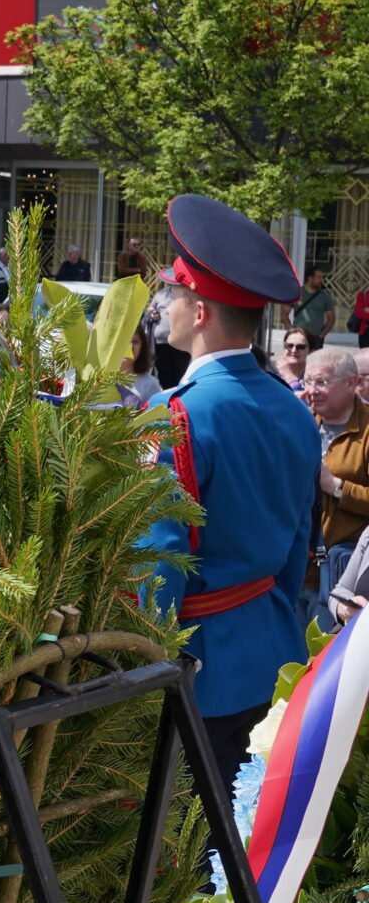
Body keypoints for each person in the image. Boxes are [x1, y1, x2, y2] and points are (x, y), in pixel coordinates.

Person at [141, 193, 321, 786]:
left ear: (199, 313)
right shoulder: (294, 411)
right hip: (272, 650)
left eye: (173, 290)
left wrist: (140, 670)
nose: (162, 301)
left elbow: (157, 565)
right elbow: (297, 547)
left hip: (194, 669)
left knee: (178, 857)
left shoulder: (174, 414)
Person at [303, 347, 369, 630]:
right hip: (294, 569)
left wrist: (336, 486)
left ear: (352, 383)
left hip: (340, 577)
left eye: (322, 382)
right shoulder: (300, 421)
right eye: (307, 381)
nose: (312, 391)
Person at [293, 268, 336, 343]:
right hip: (298, 336)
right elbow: (284, 315)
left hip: (316, 338)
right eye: (318, 277)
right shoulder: (297, 293)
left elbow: (331, 319)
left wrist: (322, 335)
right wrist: (291, 331)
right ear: (310, 278)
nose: (321, 280)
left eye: (322, 277)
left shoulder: (325, 296)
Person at [277, 328, 313, 394]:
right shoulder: (274, 379)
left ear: (310, 351)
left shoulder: (315, 381)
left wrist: (290, 378)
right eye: (289, 346)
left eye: (300, 347)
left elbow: (303, 402)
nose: (294, 350)